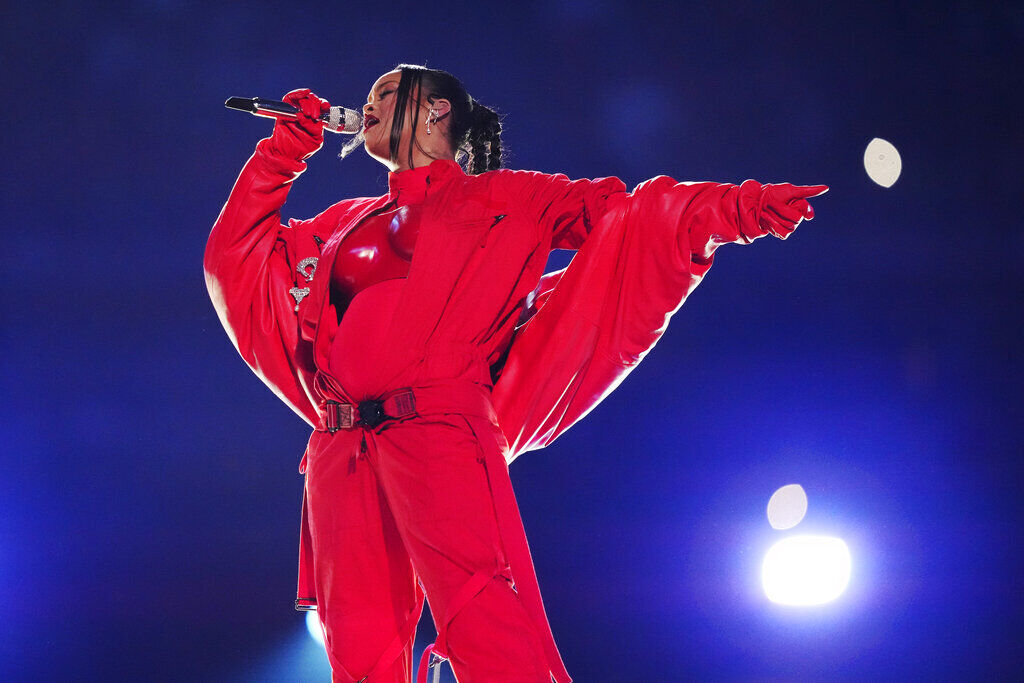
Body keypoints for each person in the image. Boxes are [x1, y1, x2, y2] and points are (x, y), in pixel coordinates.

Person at [204, 63, 827, 683]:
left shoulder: (511, 198)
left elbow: (631, 215)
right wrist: (280, 155)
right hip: (343, 448)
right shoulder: (342, 222)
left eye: (387, 93)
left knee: (484, 623)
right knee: (358, 656)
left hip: (439, 431)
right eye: (367, 97)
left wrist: (737, 209)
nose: (366, 105)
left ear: (436, 111)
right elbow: (236, 260)